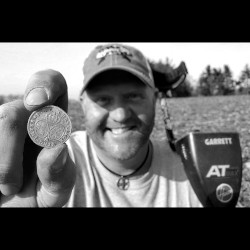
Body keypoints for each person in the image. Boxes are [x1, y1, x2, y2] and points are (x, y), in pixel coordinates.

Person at [0, 43, 202, 207]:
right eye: (103, 99)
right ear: (83, 104)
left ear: (155, 99)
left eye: (133, 96)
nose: (120, 115)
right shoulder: (44, 166)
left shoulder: (194, 169)